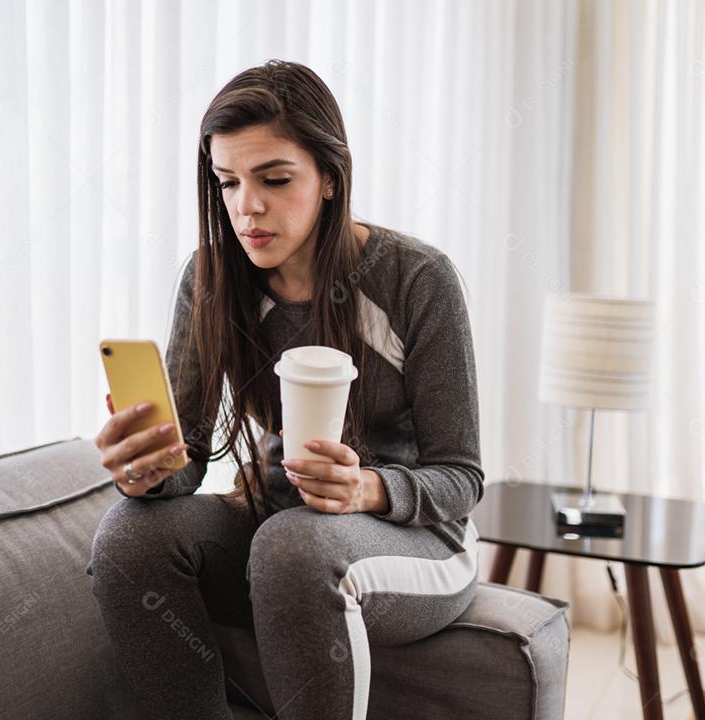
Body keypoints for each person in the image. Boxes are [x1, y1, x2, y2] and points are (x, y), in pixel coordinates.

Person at [87, 59, 484, 720]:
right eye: (227, 182)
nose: (247, 206)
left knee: (292, 545)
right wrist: (148, 472)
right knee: (130, 537)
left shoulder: (417, 281)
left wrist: (368, 488)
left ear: (330, 178)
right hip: (282, 531)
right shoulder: (212, 279)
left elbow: (461, 477)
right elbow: (186, 462)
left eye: (274, 179)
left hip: (417, 540)